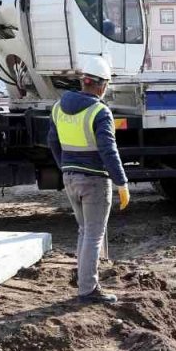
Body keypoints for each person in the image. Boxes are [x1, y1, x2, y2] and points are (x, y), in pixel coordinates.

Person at [47, 54, 130, 305]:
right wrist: (122, 182)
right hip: (94, 181)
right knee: (94, 234)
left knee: (85, 231)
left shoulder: (58, 107)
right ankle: (88, 289)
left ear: (84, 82)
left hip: (70, 177)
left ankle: (85, 279)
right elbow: (108, 150)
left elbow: (52, 141)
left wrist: (65, 165)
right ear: (102, 85)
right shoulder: (99, 111)